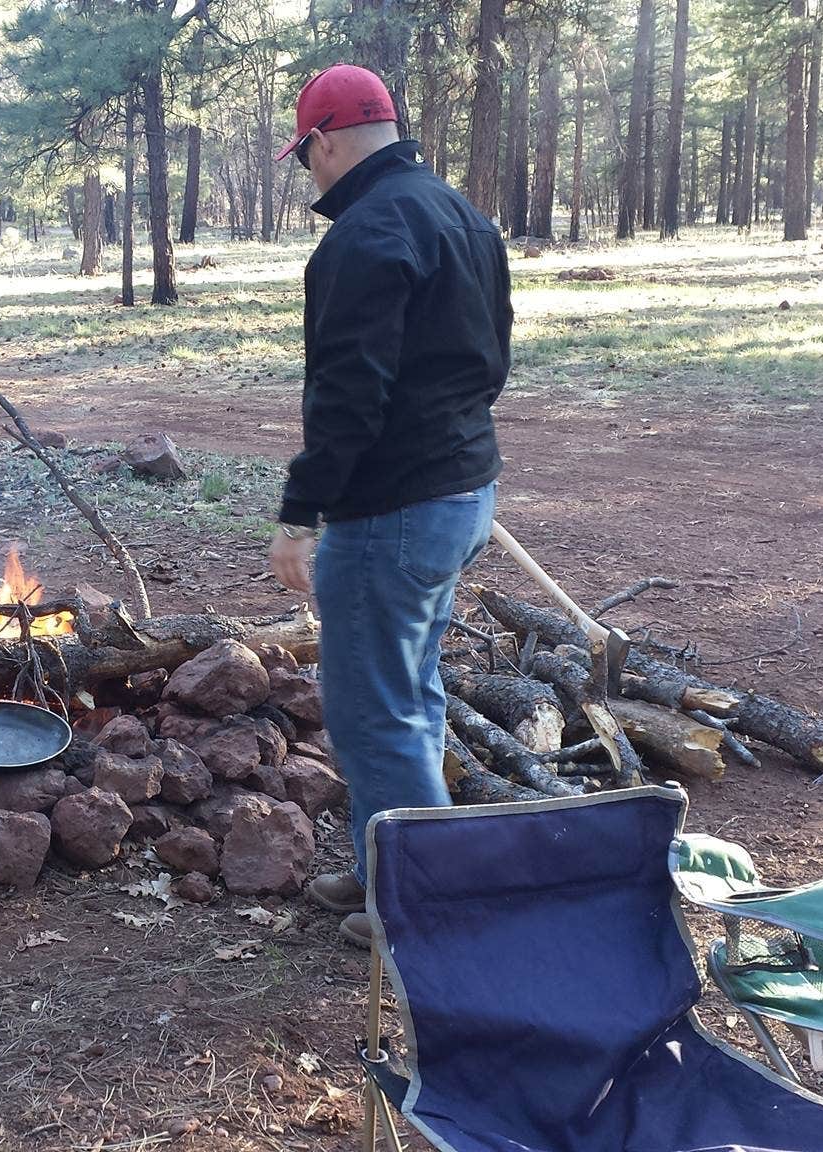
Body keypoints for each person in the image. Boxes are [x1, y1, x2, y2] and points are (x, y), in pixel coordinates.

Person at [265, 64, 512, 948]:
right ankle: (394, 867)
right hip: (460, 494)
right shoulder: (460, 214)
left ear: (325, 141)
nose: (313, 174)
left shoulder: (363, 236)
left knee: (375, 710)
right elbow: (491, 363)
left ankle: (414, 911)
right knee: (412, 689)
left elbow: (348, 396)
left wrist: (302, 513)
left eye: (308, 158)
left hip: (395, 512)